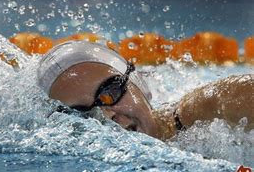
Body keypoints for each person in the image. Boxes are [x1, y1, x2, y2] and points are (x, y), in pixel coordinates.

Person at [37, 41, 253, 141]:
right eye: (82, 113)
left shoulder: (211, 109)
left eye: (110, 92)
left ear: (137, 81)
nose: (107, 115)